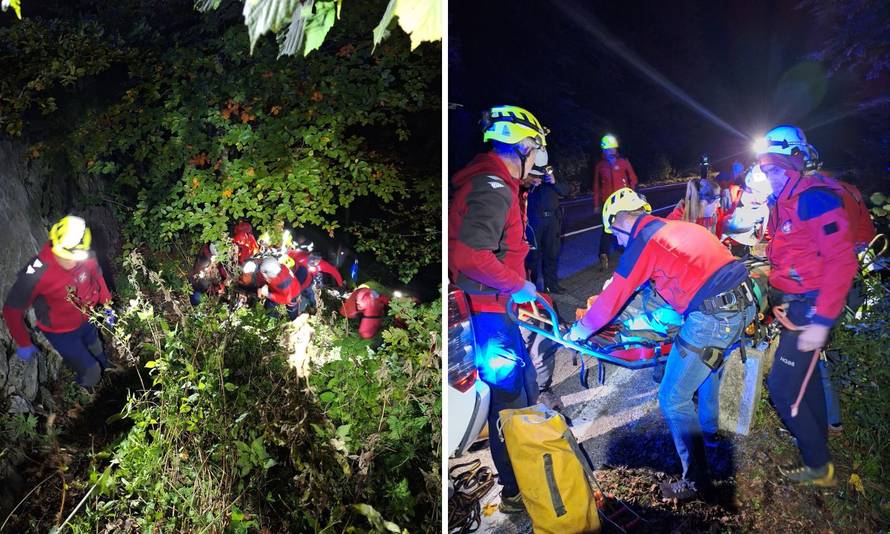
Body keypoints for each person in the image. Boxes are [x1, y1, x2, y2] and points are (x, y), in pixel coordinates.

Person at [568, 188, 756, 500]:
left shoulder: (644, 241)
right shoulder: (679, 228)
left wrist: (579, 332)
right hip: (743, 303)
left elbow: (612, 299)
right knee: (708, 370)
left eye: (614, 234)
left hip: (715, 316)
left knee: (673, 397)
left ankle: (696, 481)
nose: (617, 242)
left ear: (619, 221)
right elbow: (678, 286)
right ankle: (709, 437)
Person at [448, 104, 544, 514]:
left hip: (495, 309)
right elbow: (470, 254)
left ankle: (525, 471)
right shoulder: (492, 186)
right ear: (521, 145)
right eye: (536, 148)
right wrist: (517, 286)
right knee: (508, 399)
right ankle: (515, 491)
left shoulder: (500, 183)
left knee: (524, 388)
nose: (539, 158)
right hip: (487, 315)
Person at [755, 124, 859, 487]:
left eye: (775, 169)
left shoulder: (812, 197)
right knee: (808, 379)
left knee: (781, 386)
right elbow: (796, 250)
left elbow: (842, 261)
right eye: (766, 170)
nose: (769, 176)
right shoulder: (785, 200)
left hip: (811, 309)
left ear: (796, 161)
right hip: (798, 305)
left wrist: (822, 321)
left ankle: (818, 465)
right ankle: (819, 450)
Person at [2, 215, 116, 388]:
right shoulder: (38, 271)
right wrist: (23, 342)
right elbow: (12, 309)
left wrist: (107, 305)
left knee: (97, 348)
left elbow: (97, 278)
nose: (71, 262)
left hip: (87, 319)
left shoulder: (87, 255)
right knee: (91, 373)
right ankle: (86, 386)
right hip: (61, 332)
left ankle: (105, 367)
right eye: (65, 256)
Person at [593, 133, 638, 271]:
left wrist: (630, 194)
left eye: (612, 149)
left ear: (616, 149)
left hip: (623, 202)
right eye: (607, 149)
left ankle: (631, 256)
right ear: (603, 150)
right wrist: (596, 204)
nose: (609, 151)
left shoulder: (623, 162)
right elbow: (596, 185)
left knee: (626, 228)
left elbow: (633, 179)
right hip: (608, 203)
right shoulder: (600, 166)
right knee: (607, 229)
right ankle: (603, 255)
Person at [526, 160, 569, 293]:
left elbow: (565, 191)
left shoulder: (551, 170)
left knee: (552, 253)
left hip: (552, 219)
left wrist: (554, 181)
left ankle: (551, 284)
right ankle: (531, 288)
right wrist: (529, 181)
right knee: (532, 256)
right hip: (534, 219)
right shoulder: (526, 169)